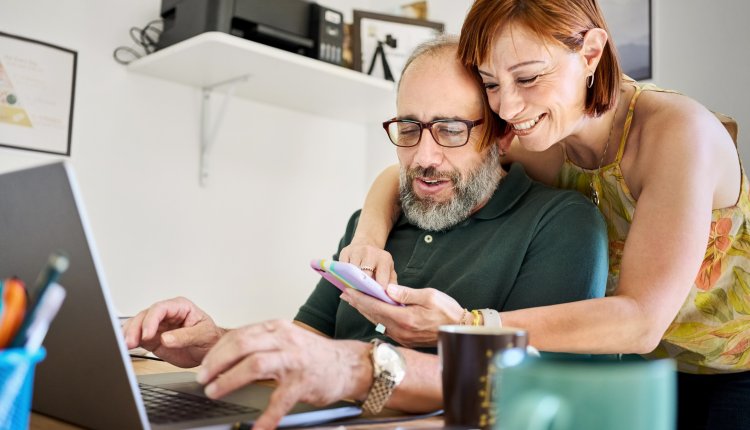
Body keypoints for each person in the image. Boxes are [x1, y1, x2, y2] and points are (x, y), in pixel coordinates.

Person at [123, 35, 609, 430]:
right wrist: (214, 342)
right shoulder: (371, 227)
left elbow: (530, 390)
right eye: (409, 128)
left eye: (452, 130)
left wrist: (355, 369)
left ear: (502, 133)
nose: (423, 157)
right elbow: (308, 344)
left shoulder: (561, 224)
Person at [340, 1, 750, 429]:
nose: (509, 108)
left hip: (736, 367)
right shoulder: (543, 137)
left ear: (591, 53)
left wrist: (468, 324)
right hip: (644, 366)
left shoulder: (679, 133)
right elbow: (412, 169)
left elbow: (642, 319)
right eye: (491, 83)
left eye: (529, 77)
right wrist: (367, 238)